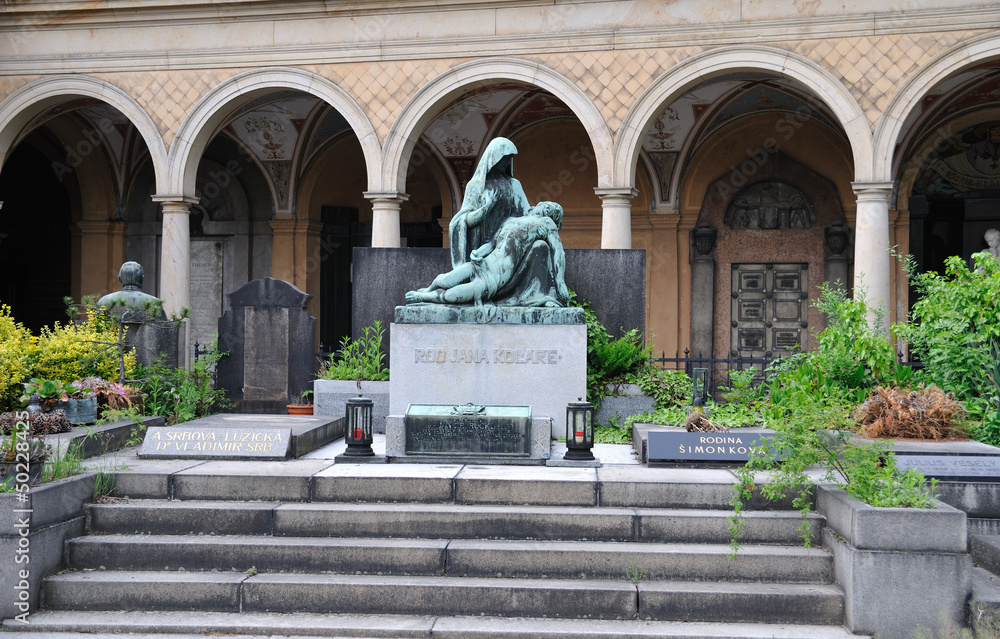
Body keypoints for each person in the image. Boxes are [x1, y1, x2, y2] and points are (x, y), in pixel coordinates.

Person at [408, 201, 569, 308]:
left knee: (452, 295)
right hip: (483, 263)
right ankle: (427, 290)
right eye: (549, 205)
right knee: (444, 279)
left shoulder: (546, 224)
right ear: (539, 204)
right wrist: (477, 253)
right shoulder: (511, 220)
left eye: (554, 211)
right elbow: (492, 244)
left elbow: (558, 252)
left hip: (497, 277)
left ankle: (423, 298)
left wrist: (560, 283)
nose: (549, 208)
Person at [448, 137, 530, 268]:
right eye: (505, 157)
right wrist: (486, 208)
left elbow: (526, 214)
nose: (508, 162)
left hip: (508, 240)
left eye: (510, 158)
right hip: (482, 243)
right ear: (494, 157)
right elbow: (464, 220)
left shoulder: (514, 185)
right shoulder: (475, 186)